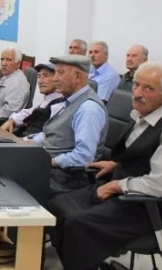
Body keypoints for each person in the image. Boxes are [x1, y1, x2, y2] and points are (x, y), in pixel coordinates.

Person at [43, 62, 162, 270]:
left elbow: (161, 184)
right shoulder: (144, 114)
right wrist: (115, 165)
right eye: (137, 85)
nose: (138, 93)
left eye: (149, 88)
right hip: (127, 186)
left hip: (149, 205)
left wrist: (116, 186)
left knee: (77, 223)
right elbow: (145, 155)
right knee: (57, 205)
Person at [27, 55, 107, 195]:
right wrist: (28, 142)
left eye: (60, 72)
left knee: (11, 175)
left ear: (78, 76)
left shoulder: (88, 109)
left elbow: (83, 156)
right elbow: (56, 133)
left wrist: (47, 161)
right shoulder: (69, 100)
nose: (55, 78)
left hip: (66, 177)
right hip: (52, 167)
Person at [1, 63, 62, 137]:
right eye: (39, 76)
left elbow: (49, 135)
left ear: (57, 79)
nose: (40, 81)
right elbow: (27, 113)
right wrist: (12, 121)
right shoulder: (45, 101)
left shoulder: (59, 104)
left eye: (45, 76)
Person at [0, 46, 30, 119]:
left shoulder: (17, 83)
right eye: (2, 59)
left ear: (18, 64)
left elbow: (8, 112)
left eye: (8, 60)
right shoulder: (7, 77)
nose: (3, 63)